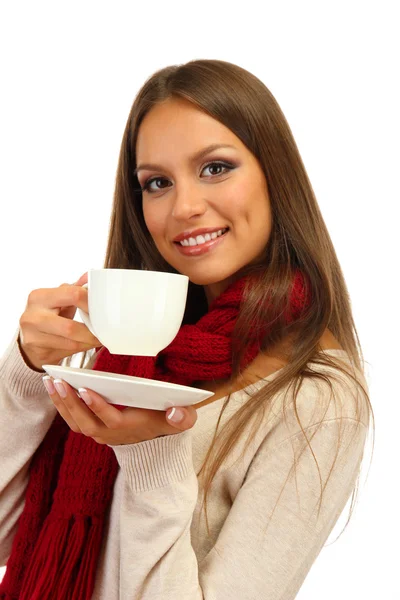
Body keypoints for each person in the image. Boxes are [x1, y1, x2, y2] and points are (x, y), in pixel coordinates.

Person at [0, 58, 373, 600]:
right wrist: (27, 372)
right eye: (156, 182)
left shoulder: (315, 399)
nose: (185, 207)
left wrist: (153, 451)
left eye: (216, 168)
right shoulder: (126, 358)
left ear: (276, 175)